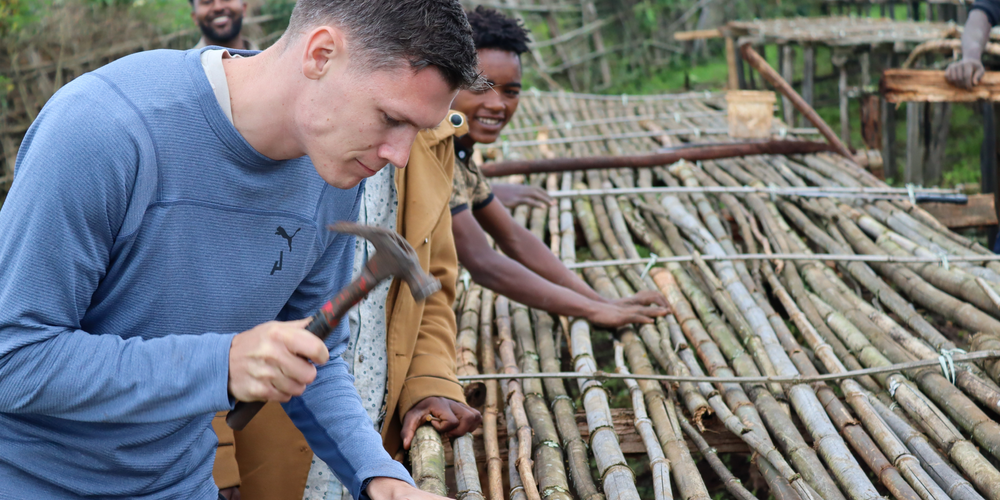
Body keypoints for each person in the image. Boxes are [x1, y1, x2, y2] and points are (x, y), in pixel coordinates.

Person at [0, 1, 480, 499]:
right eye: (388, 118)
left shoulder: (334, 171)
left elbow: (313, 358)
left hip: (180, 485)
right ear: (320, 55)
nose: (398, 157)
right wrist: (221, 365)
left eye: (416, 131)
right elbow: (12, 355)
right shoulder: (105, 130)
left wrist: (378, 476)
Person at [230, 115, 482, 500]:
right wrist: (217, 461)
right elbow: (187, 321)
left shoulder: (435, 139)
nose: (399, 152)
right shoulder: (265, 130)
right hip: (262, 431)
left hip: (371, 427)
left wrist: (429, 380)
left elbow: (434, 286)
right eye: (390, 118)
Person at [450, 7, 668, 327]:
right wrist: (590, 310)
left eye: (511, 92)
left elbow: (513, 238)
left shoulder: (461, 155)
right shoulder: (431, 152)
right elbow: (484, 262)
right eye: (481, 86)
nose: (497, 104)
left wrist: (601, 300)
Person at [192, 0, 259, 51]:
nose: (218, 7)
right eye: (207, 1)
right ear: (195, 17)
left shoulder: (268, 64)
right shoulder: (184, 68)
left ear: (243, 9)